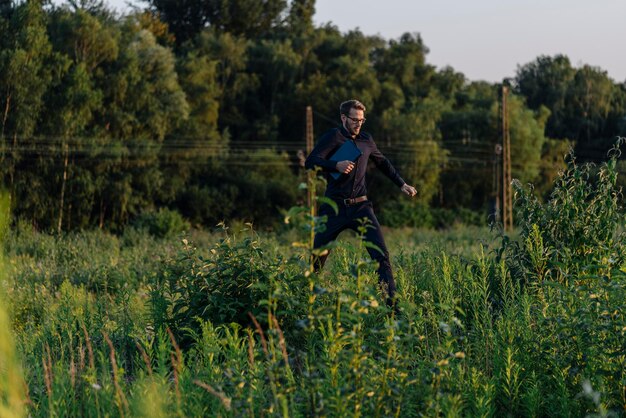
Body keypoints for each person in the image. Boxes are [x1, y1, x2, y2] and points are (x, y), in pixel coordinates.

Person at [304, 99, 417, 308]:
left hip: (361, 207)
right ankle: (305, 303)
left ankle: (392, 309)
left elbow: (382, 162)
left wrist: (401, 184)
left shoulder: (367, 140)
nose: (358, 124)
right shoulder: (333, 136)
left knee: (381, 256)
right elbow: (310, 161)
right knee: (317, 257)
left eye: (362, 120)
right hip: (334, 207)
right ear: (343, 118)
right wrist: (335, 164)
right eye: (355, 120)